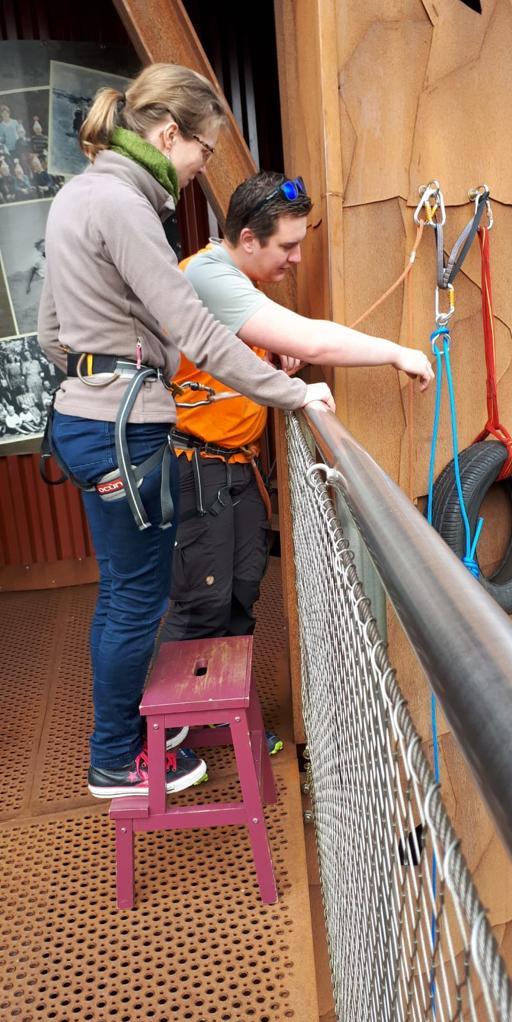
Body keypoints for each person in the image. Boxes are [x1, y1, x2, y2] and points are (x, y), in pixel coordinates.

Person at [37, 65, 334, 801]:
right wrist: (292, 393)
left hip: (81, 419)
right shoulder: (127, 205)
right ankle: (115, 757)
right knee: (138, 602)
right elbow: (195, 328)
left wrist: (102, 375)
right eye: (203, 150)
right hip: (124, 430)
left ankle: (134, 730)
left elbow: (49, 333)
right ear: (170, 134)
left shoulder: (78, 194)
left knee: (123, 594)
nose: (203, 166)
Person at [161, 170, 434, 754]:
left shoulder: (235, 281)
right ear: (248, 239)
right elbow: (312, 340)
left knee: (238, 597)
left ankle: (221, 717)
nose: (297, 257)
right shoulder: (207, 274)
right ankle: (164, 739)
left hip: (235, 469)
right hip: (197, 467)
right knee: (201, 603)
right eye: (287, 245)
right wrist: (397, 352)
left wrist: (270, 355)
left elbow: (237, 351)